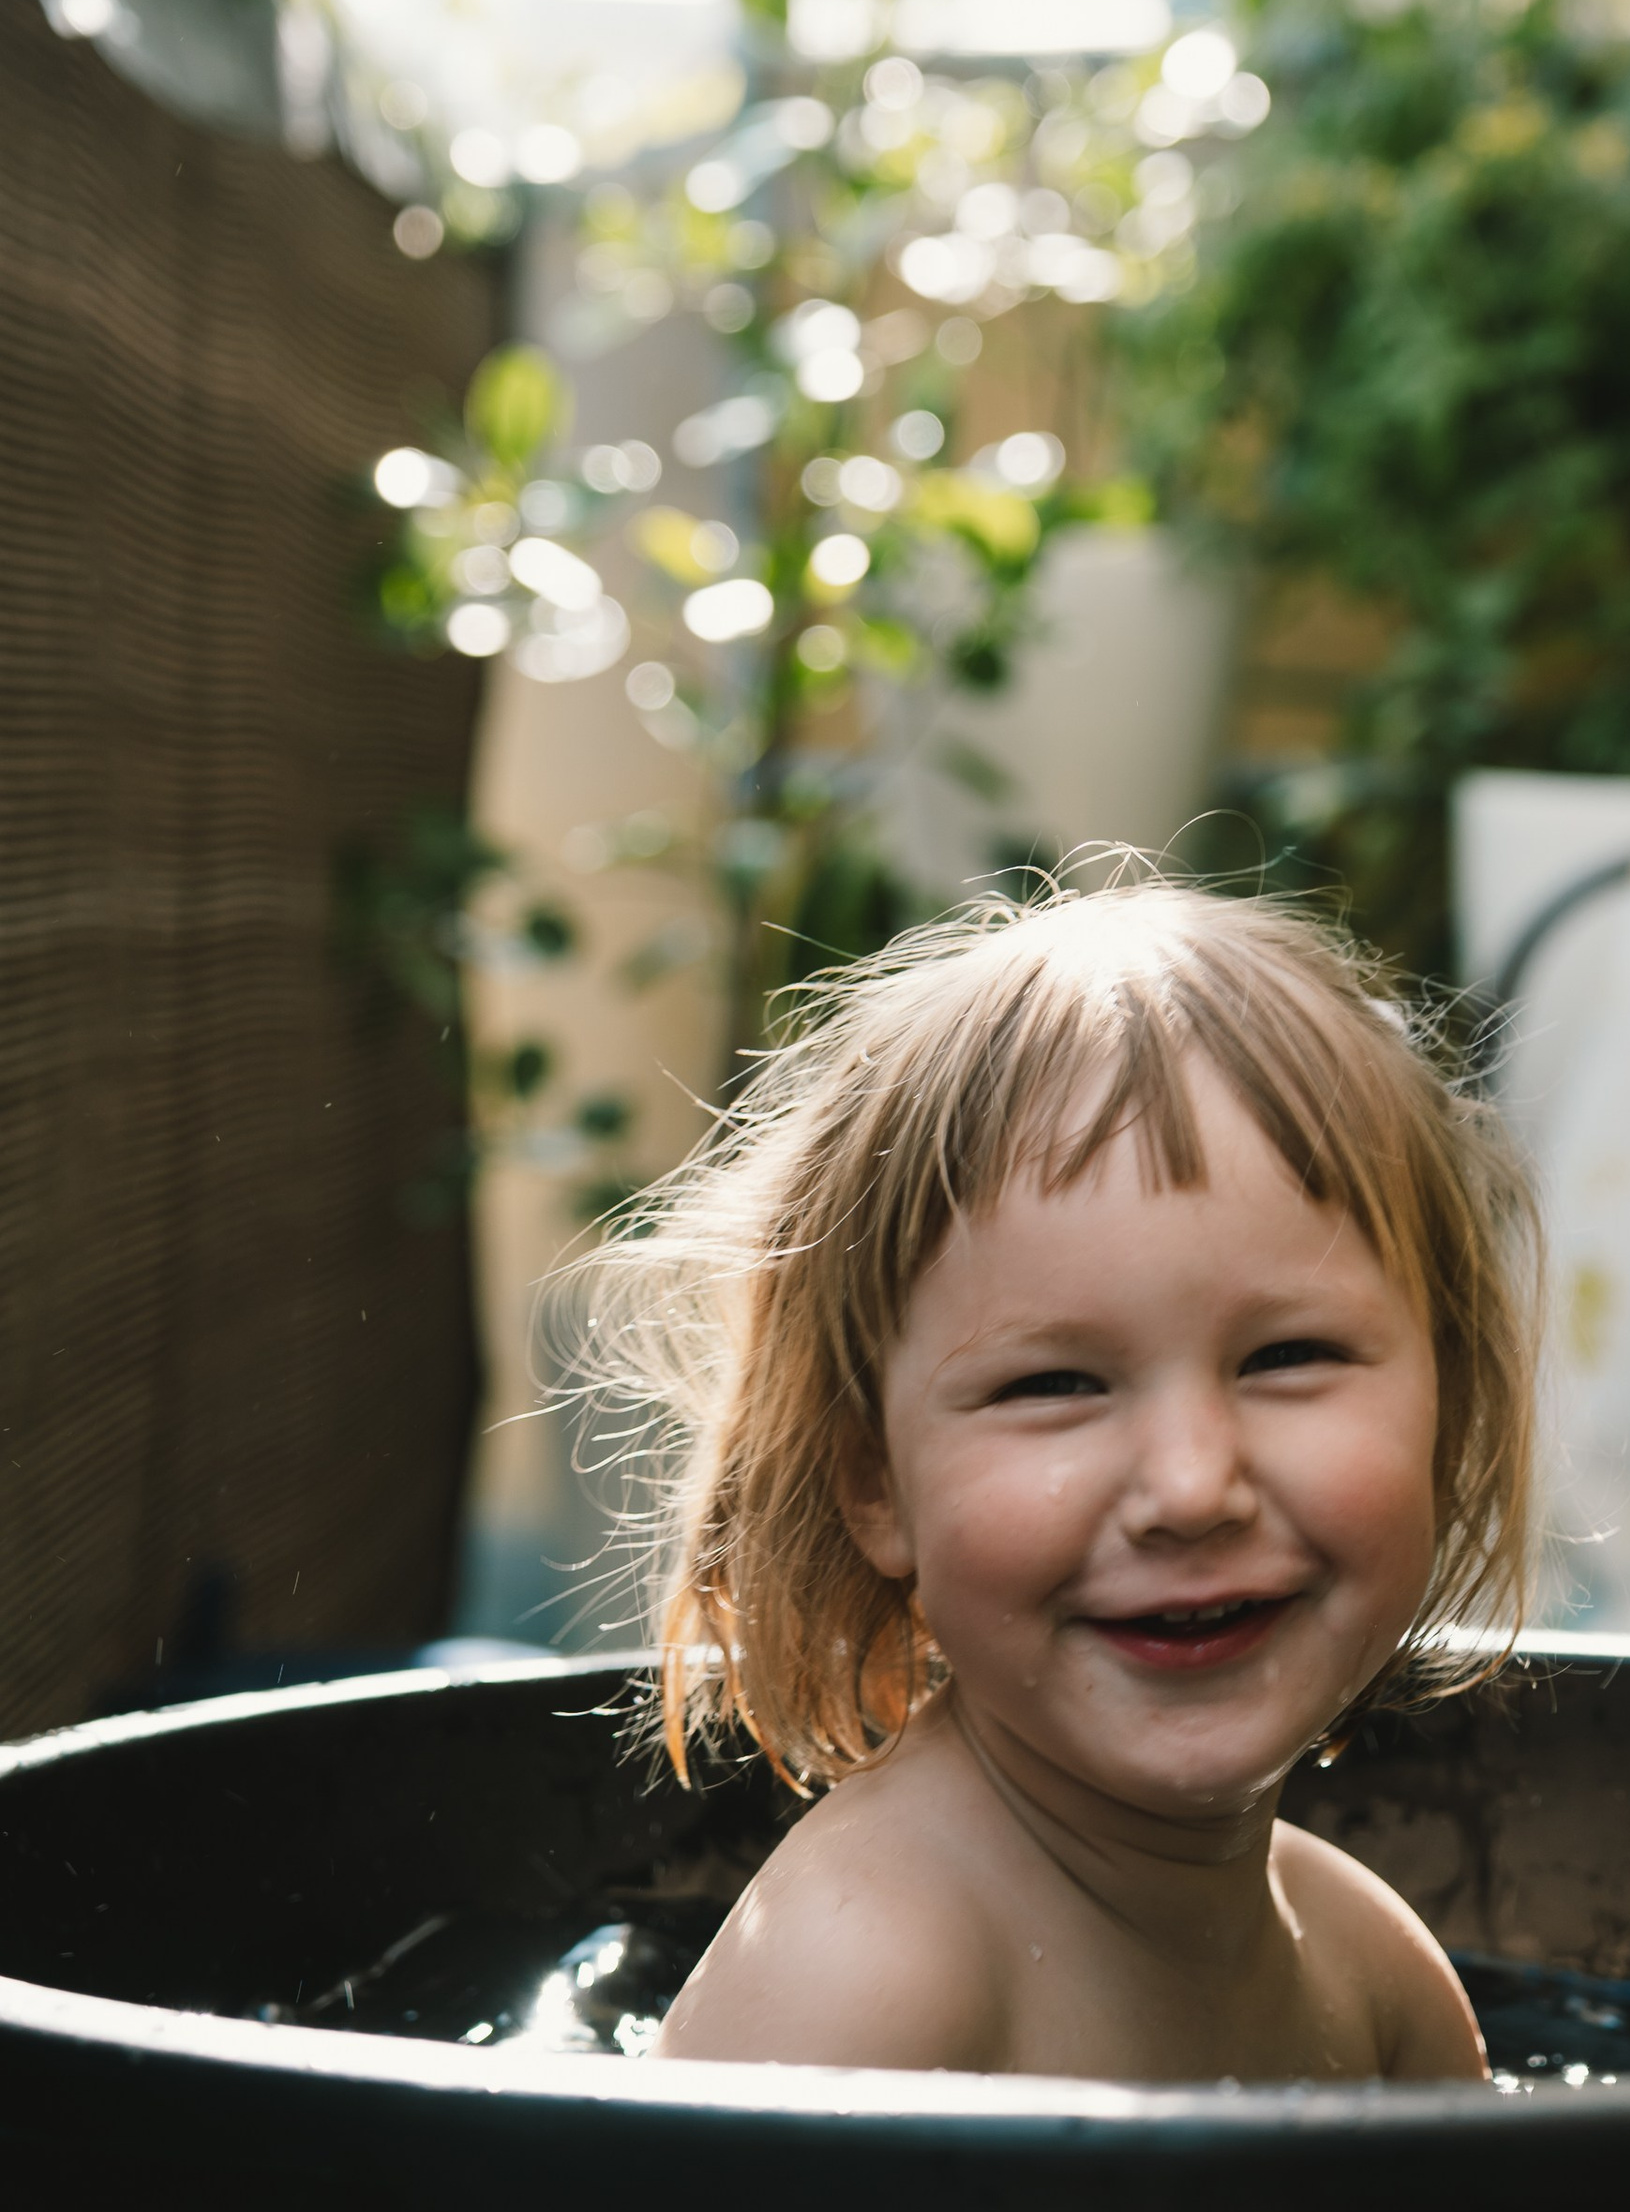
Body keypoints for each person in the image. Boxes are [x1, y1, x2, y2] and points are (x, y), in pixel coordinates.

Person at [590, 877, 1544, 2083]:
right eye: (1055, 1386)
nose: (1194, 1487)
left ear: (1446, 1416)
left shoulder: (1372, 1978)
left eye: (1287, 1358)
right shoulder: (862, 1991)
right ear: (873, 1483)